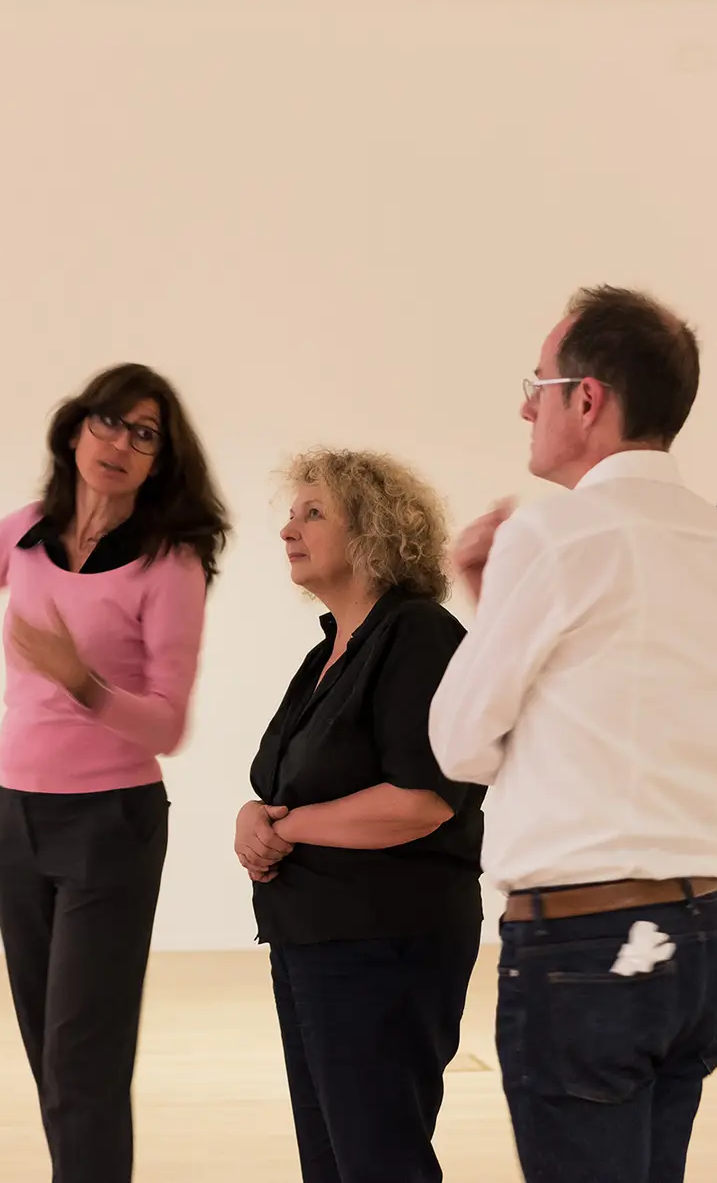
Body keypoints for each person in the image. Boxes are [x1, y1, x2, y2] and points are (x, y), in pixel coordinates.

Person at [428, 286, 717, 1183]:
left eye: (538, 385)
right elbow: (621, 708)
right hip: (701, 936)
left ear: (587, 399)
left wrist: (492, 605)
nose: (526, 408)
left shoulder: (554, 533)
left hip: (586, 943)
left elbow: (459, 745)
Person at [0, 363, 229, 1183]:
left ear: (159, 461)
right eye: (109, 421)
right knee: (52, 1057)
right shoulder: (29, 532)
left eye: (145, 434)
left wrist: (82, 682)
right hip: (16, 822)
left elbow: (169, 724)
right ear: (75, 431)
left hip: (111, 824)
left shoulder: (168, 566)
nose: (120, 443)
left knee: (82, 1060)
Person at [237, 448, 485, 1183]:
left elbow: (422, 801)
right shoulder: (330, 653)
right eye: (291, 514)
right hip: (312, 942)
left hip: (384, 944)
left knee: (378, 1163)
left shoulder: (418, 636)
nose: (290, 529)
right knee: (334, 1166)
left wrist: (285, 829)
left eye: (314, 513)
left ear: (375, 531)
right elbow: (288, 785)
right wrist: (253, 815)